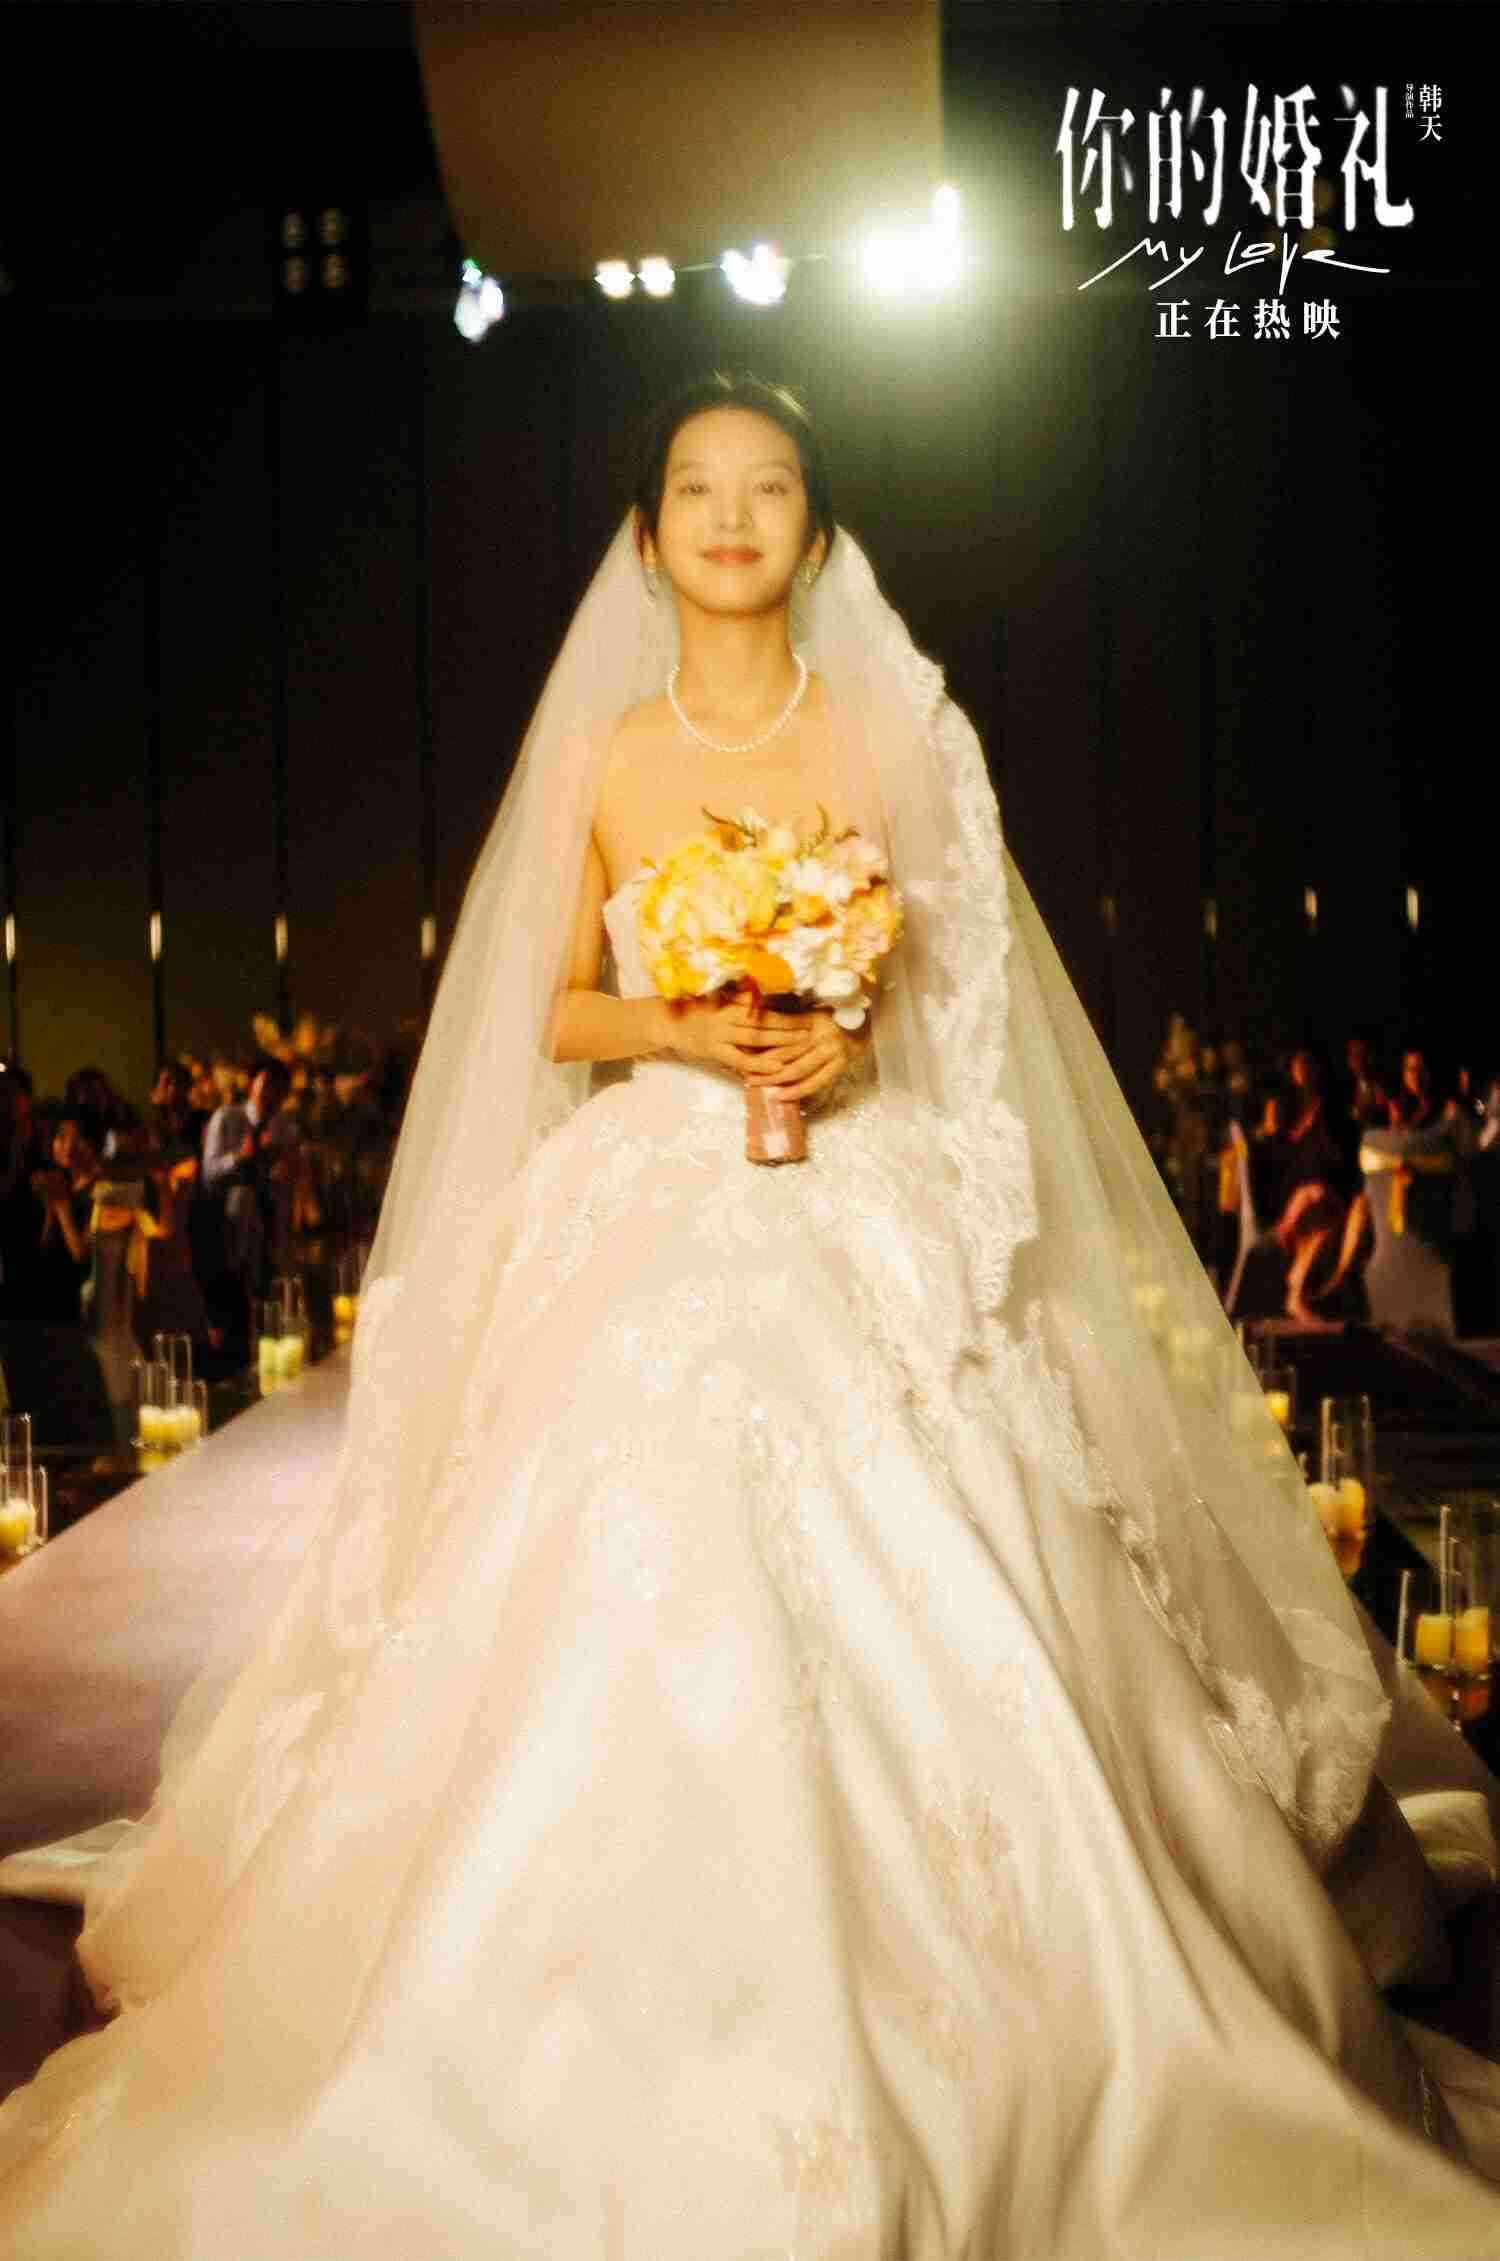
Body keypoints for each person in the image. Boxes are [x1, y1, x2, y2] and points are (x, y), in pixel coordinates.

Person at [1, 374, 1498, 2255]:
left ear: (817, 526)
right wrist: (687, 1023)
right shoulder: (608, 755)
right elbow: (551, 1001)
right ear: (647, 537)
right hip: (652, 1180)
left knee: (961, 1523)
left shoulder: (884, 735)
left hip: (854, 1184)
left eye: (768, 485)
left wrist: (845, 1035)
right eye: (696, 488)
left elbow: (949, 995)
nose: (730, 515)